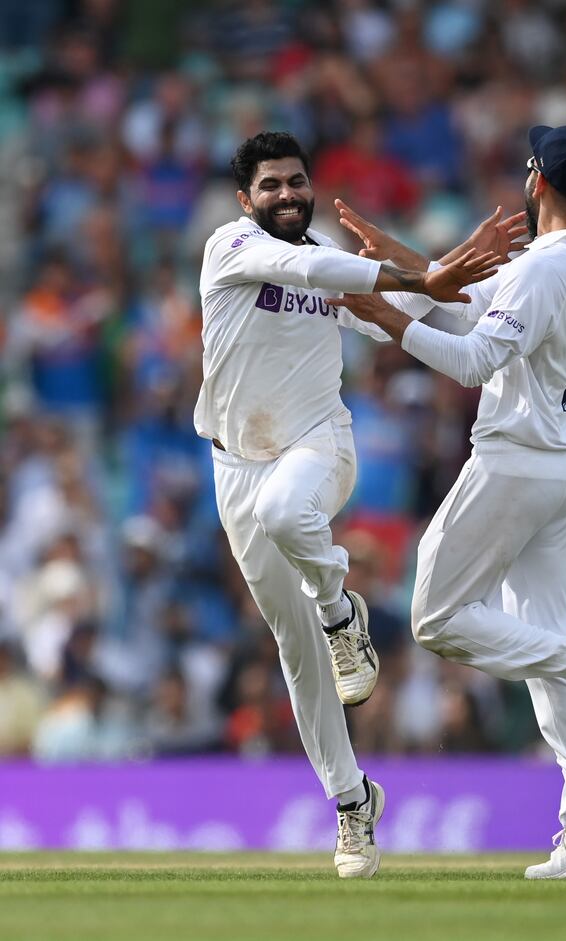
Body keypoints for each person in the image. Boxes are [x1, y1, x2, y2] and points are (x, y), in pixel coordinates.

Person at [330, 125, 566, 880]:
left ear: (536, 181)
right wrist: (402, 260)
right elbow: (475, 295)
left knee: (437, 617)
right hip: (561, 469)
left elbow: (476, 353)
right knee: (537, 643)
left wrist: (389, 318)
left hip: (512, 462)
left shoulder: (546, 272)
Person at [194, 130, 498, 879]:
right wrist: (415, 280)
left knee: (286, 515)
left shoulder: (327, 257)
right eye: (271, 186)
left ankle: (341, 613)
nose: (288, 195)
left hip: (317, 444)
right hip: (235, 465)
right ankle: (353, 800)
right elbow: (310, 267)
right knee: (298, 656)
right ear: (245, 200)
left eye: (296, 181)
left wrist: (464, 298)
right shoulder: (230, 248)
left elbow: (406, 314)